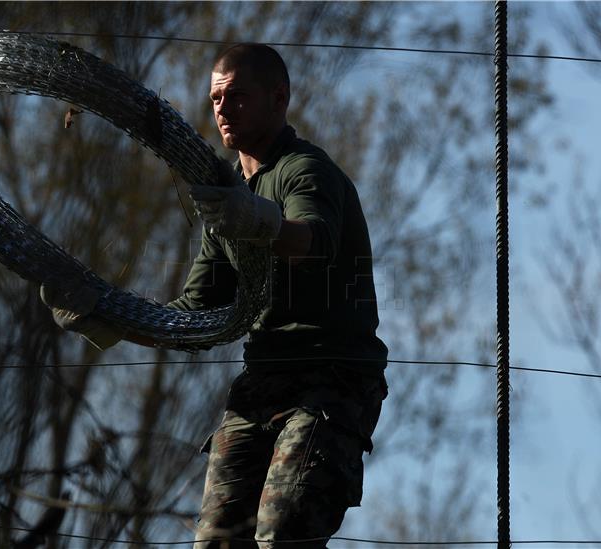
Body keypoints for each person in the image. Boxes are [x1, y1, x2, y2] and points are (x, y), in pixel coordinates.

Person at [41, 43, 388, 548]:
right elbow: (194, 318)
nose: (223, 108)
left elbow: (314, 242)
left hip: (330, 379)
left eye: (237, 96)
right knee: (217, 543)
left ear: (278, 98)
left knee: (283, 530)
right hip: (260, 385)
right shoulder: (225, 201)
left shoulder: (303, 170)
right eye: (216, 98)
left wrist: (259, 221)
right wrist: (103, 315)